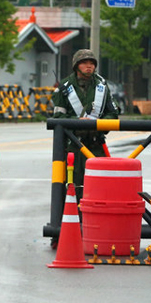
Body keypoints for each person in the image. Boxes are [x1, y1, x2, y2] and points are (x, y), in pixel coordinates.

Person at [51, 48, 120, 201]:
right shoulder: (64, 87)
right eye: (84, 63)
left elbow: (113, 113)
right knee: (73, 185)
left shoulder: (102, 85)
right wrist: (76, 122)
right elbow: (58, 117)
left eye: (91, 63)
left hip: (96, 144)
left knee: (100, 184)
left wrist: (100, 124)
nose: (89, 66)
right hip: (73, 146)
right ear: (76, 66)